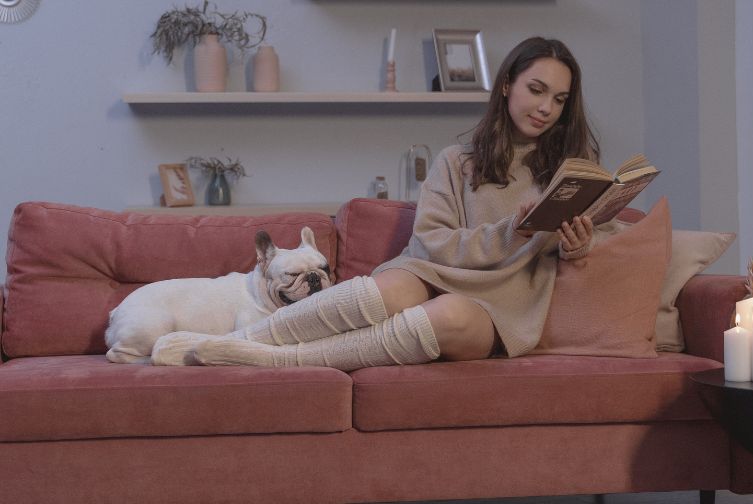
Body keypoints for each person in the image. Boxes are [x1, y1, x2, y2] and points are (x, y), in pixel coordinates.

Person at [152, 36, 599, 370]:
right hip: (434, 272)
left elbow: (577, 251)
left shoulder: (570, 173)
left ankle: (280, 360)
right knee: (394, 287)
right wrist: (510, 232)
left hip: (501, 305)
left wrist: (576, 247)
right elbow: (432, 243)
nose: (546, 108)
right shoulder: (455, 161)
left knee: (450, 316)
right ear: (506, 85)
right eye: (536, 89)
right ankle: (245, 340)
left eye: (559, 99)